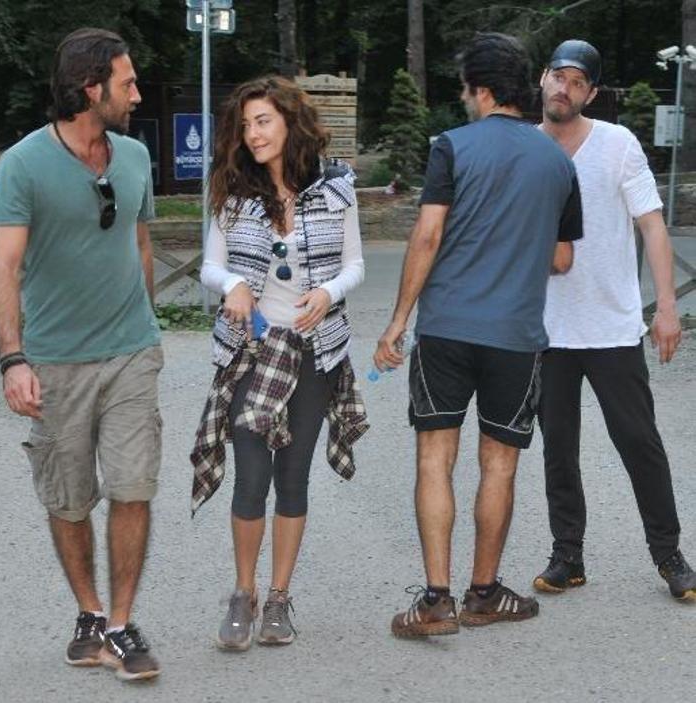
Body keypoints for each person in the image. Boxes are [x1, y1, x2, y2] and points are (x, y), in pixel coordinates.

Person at [374, 32, 583, 637]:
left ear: (483, 91)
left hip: (446, 328)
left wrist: (397, 321)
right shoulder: (558, 163)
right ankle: (485, 594)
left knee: (435, 458)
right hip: (516, 335)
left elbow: (428, 235)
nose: (465, 99)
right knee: (500, 465)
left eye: (467, 89)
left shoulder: (451, 147)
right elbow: (562, 258)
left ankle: (436, 602)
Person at [0, 28, 163, 680]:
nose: (137, 95)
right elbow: (2, 267)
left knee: (134, 486)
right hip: (54, 360)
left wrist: (147, 325)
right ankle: (90, 613)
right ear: (91, 88)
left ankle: (121, 624)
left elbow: (140, 245)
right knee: (68, 499)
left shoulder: (135, 157)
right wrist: (14, 360)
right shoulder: (23, 164)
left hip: (131, 354)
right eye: (127, 83)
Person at [191, 76, 369, 650]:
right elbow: (210, 267)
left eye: (263, 121)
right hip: (251, 352)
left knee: (293, 480)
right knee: (252, 477)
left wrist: (330, 292)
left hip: (315, 352)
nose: (253, 133)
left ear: (291, 122)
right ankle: (242, 593)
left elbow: (356, 265)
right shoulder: (232, 191)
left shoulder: (337, 188)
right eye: (245, 125)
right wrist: (234, 285)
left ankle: (278, 598)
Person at [534, 40, 696, 601]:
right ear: (543, 78)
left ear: (592, 93)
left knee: (639, 442)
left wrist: (667, 307)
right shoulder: (526, 148)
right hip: (547, 330)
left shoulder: (617, 144)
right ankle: (568, 556)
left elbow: (652, 225)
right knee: (558, 449)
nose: (565, 88)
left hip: (612, 327)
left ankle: (670, 555)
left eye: (578, 82)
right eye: (559, 76)